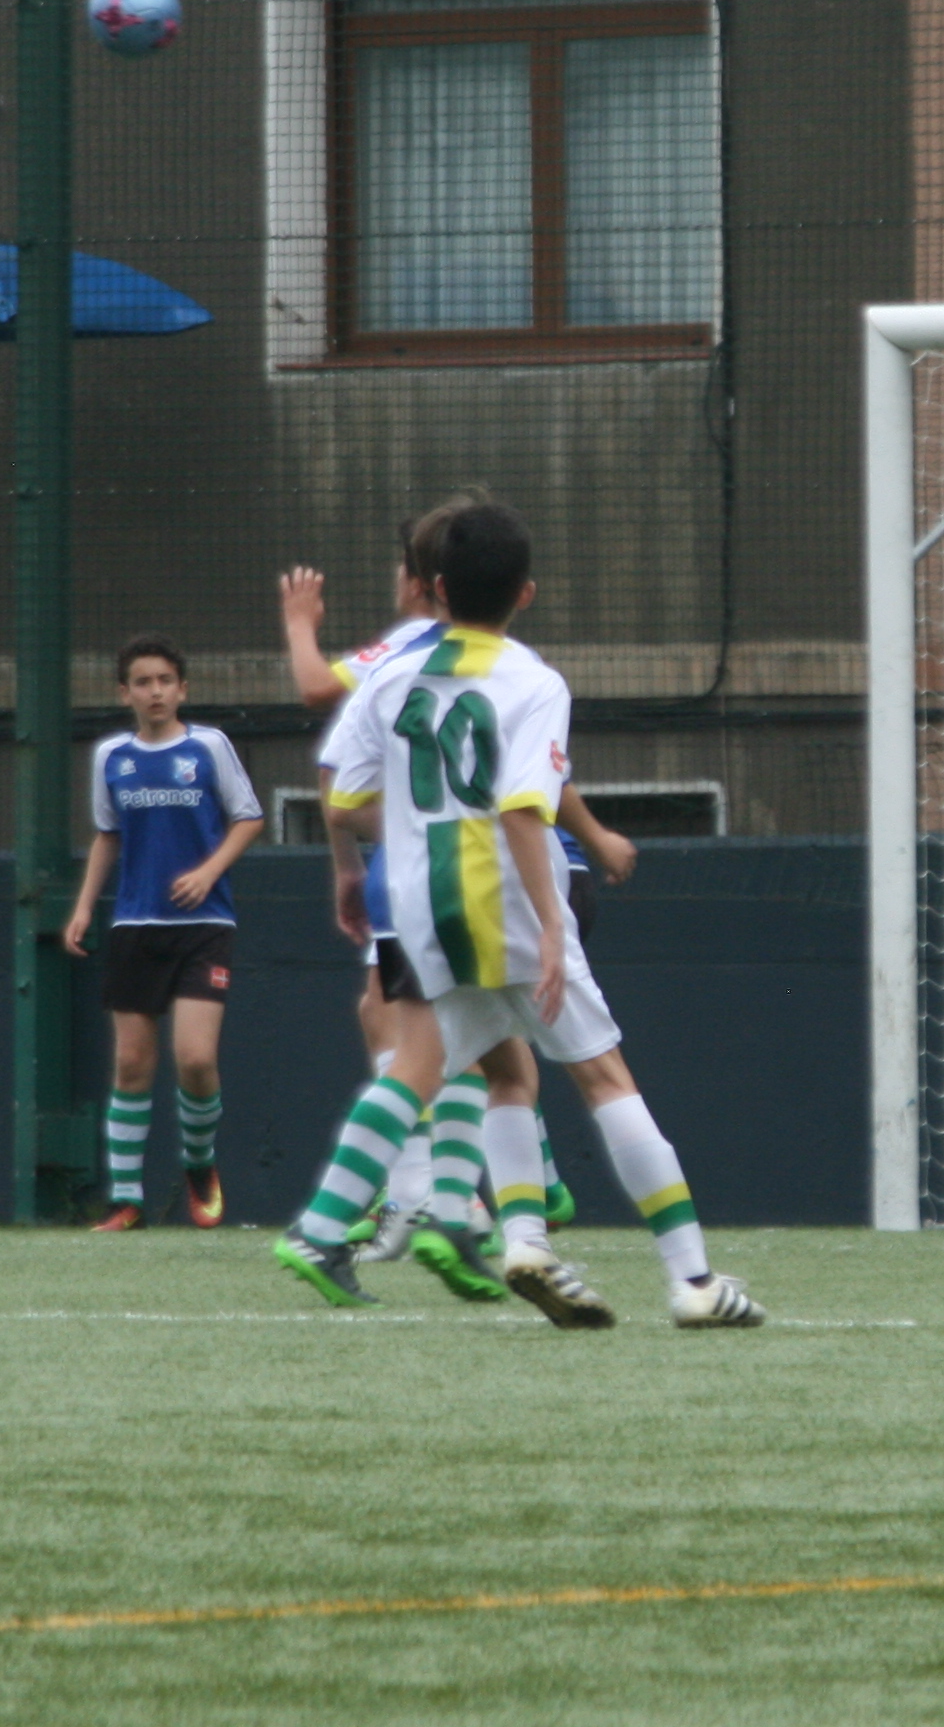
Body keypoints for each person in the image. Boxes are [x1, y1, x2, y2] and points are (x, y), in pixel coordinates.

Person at [273, 501, 760, 1329]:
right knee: (604, 1077)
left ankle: (348, 1231)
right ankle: (694, 1280)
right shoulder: (534, 681)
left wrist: (397, 840)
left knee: (427, 1067)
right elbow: (524, 809)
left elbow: (346, 801)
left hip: (423, 906)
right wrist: (552, 926)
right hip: (506, 904)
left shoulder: (390, 675)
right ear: (526, 592)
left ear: (434, 587)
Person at [64, 634, 263, 1230]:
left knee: (196, 1059)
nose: (155, 692)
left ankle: (199, 1165)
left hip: (204, 926)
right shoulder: (111, 757)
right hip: (135, 924)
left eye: (165, 681)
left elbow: (248, 818)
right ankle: (126, 1200)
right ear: (123, 693)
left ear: (183, 688)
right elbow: (108, 835)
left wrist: (208, 872)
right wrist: (82, 908)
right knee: (131, 1063)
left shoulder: (209, 746)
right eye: (143, 682)